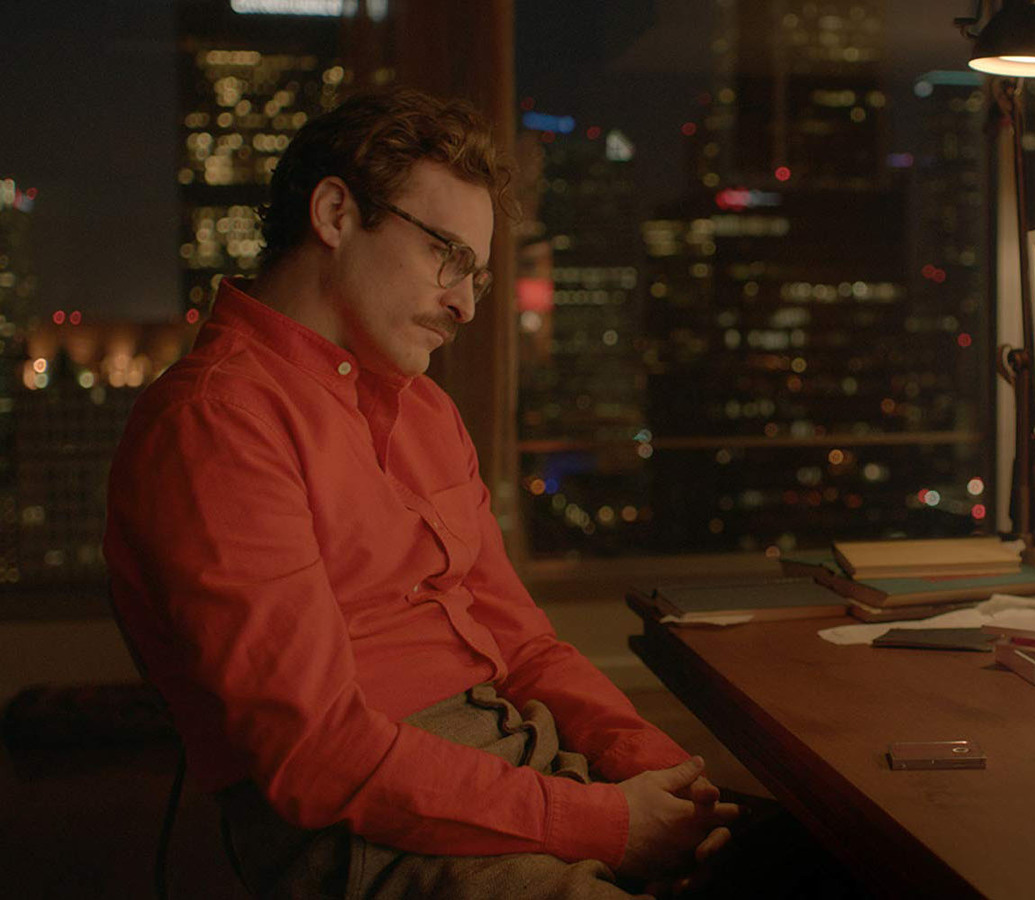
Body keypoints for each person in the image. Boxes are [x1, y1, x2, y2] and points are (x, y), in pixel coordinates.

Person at [103, 87, 739, 899]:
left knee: (817, 861)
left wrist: (663, 778)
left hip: (519, 763)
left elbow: (527, 648)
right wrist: (608, 823)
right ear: (335, 214)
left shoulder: (426, 410)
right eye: (448, 256)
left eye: (476, 273)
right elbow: (317, 756)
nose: (466, 304)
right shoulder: (218, 422)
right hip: (365, 833)